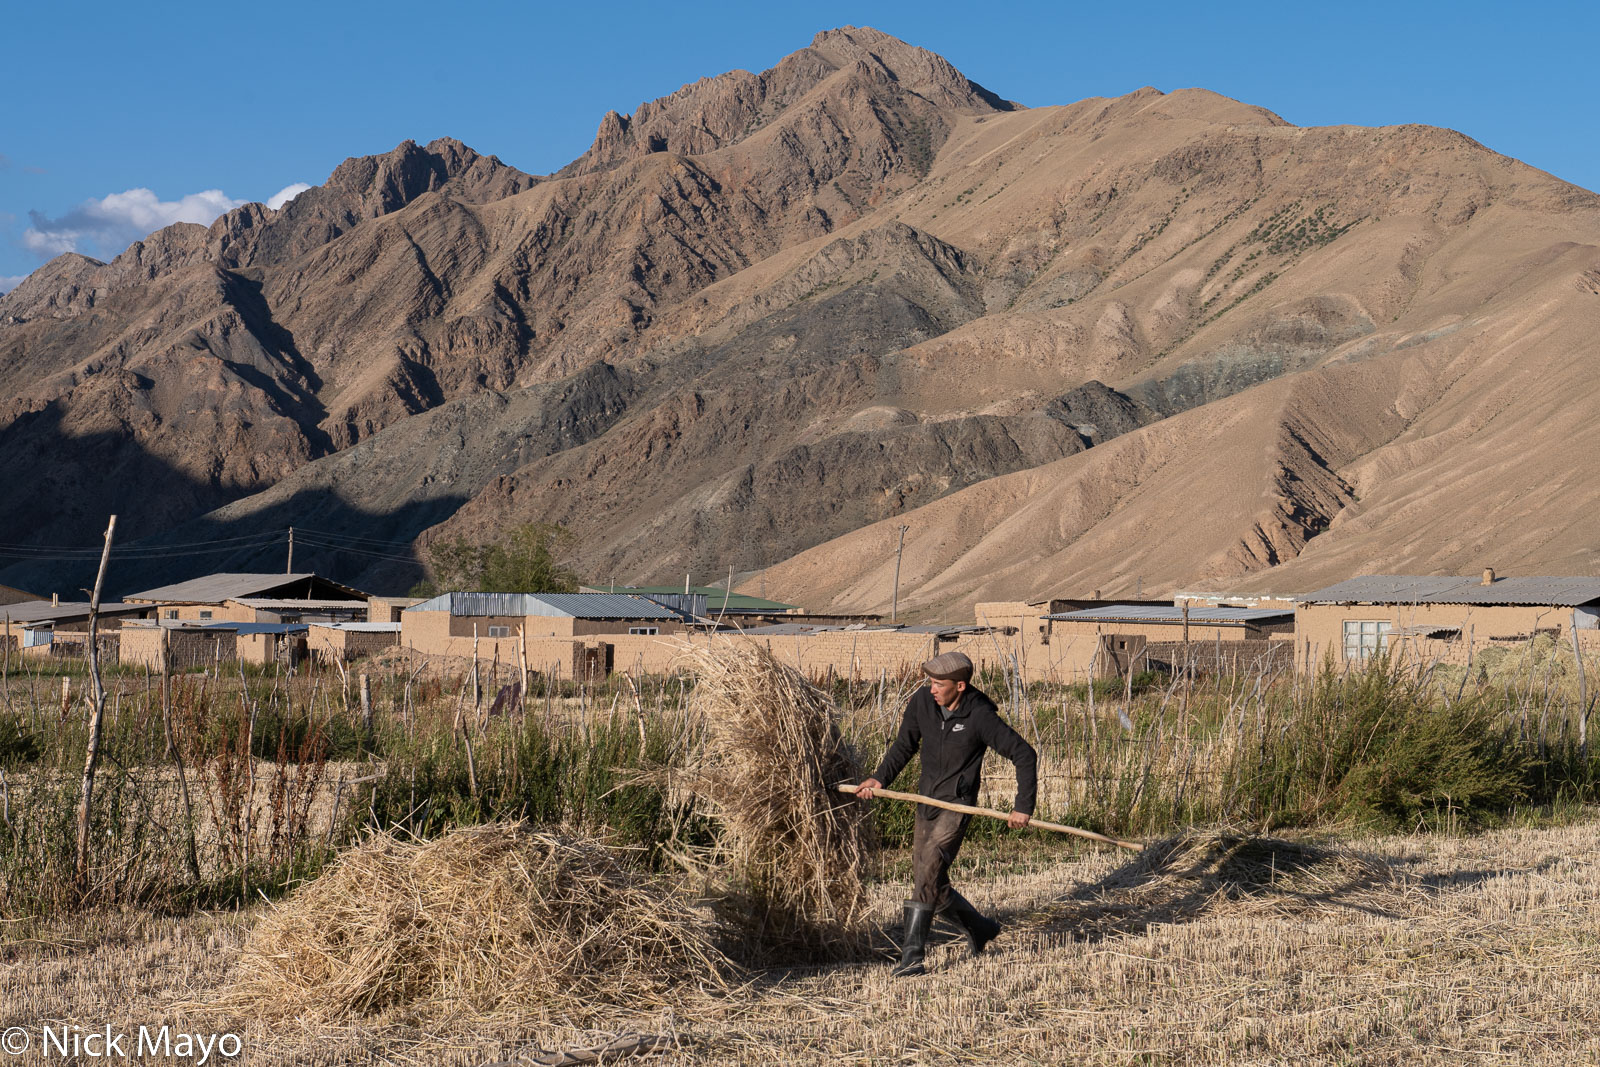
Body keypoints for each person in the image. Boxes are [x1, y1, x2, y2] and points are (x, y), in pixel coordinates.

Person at [855, 651, 1037, 977]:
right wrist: (880, 777)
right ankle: (980, 929)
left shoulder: (980, 715)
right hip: (927, 802)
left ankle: (911, 959)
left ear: (960, 686)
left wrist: (1023, 807)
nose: (932, 689)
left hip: (957, 805)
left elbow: (1024, 754)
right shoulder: (922, 703)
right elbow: (903, 746)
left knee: (927, 873)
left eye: (939, 683)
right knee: (931, 884)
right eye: (930, 682)